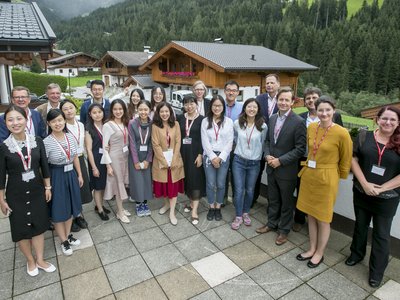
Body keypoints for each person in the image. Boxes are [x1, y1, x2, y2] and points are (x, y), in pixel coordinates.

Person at [346, 106, 400, 288]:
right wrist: (365, 184)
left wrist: (381, 188)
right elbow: (353, 160)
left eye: (393, 119)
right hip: (362, 192)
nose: (388, 122)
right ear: (377, 119)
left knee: (381, 235)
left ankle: (376, 271)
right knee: (360, 226)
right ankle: (356, 254)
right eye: (385, 118)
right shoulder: (364, 136)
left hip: (387, 198)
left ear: (398, 122)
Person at [296, 96, 352, 268]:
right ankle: (312, 248)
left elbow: (346, 158)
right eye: (321, 110)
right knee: (310, 215)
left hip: (327, 177)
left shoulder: (342, 133)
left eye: (328, 110)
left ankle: (320, 253)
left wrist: (339, 177)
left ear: (334, 110)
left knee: (323, 218)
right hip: (310, 175)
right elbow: (311, 150)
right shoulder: (312, 127)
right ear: (316, 110)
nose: (324, 113)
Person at [0, 105, 56, 276]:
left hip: (37, 190)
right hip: (15, 194)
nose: (15, 123)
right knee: (21, 229)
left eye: (19, 118)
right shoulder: (3, 147)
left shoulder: (37, 141)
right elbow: (1, 176)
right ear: (5, 123)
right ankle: (30, 261)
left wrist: (48, 187)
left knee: (39, 226)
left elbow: (44, 167)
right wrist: (1, 199)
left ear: (26, 120)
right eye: (10, 119)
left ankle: (39, 259)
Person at [256, 87, 306, 246]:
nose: (283, 102)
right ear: (277, 100)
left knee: (286, 202)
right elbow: (268, 142)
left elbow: (300, 149)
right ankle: (271, 223)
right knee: (273, 199)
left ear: (292, 102)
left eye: (286, 100)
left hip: (286, 170)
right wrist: (267, 155)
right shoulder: (271, 118)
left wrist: (280, 160)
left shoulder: (298, 122)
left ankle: (284, 230)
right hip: (271, 167)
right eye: (281, 99)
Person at [293, 87, 344, 232]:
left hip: (324, 164)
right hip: (303, 160)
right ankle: (299, 219)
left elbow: (341, 143)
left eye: (314, 97)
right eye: (308, 98)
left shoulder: (334, 117)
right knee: (301, 190)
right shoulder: (301, 117)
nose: (311, 100)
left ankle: (315, 223)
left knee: (318, 196)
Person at [44, 109, 83, 256]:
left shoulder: (70, 137)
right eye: (53, 121)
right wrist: (47, 185)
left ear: (64, 120)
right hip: (56, 175)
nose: (57, 123)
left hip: (71, 174)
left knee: (72, 206)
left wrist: (79, 174)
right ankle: (63, 240)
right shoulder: (46, 142)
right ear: (49, 123)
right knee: (59, 208)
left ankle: (67, 236)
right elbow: (44, 166)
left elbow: (75, 157)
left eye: (60, 120)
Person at [231, 98, 267, 230]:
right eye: (249, 106)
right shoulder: (237, 123)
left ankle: (246, 212)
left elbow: (263, 144)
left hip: (254, 163)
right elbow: (234, 138)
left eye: (254, 107)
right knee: (239, 190)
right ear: (245, 108)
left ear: (258, 110)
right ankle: (238, 215)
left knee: (250, 190)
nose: (251, 109)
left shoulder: (263, 126)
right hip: (239, 161)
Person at [201, 95, 234, 221]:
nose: (217, 108)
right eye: (214, 105)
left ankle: (218, 207)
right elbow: (205, 141)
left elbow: (230, 142)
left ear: (223, 107)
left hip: (223, 156)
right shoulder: (205, 121)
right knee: (210, 183)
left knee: (220, 184)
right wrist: (213, 157)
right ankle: (211, 207)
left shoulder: (229, 122)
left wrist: (220, 158)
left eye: (219, 105)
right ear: (211, 106)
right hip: (209, 156)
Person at [152, 102, 184, 225]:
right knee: (165, 185)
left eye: (167, 111)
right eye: (162, 112)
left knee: (173, 187)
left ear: (170, 112)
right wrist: (164, 161)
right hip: (161, 162)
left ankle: (172, 212)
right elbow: (155, 144)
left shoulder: (175, 124)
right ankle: (166, 205)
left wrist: (174, 159)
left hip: (175, 161)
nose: (164, 114)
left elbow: (178, 142)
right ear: (158, 113)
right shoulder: (155, 126)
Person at [61, 99, 91, 231]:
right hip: (67, 162)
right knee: (69, 190)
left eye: (71, 108)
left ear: (75, 109)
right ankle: (70, 218)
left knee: (81, 188)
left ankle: (78, 215)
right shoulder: (61, 127)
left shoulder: (80, 125)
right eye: (65, 109)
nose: (69, 111)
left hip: (80, 159)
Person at [177, 95, 206, 225]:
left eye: (192, 103)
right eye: (186, 104)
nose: (189, 106)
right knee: (187, 179)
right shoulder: (180, 118)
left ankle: (194, 211)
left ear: (196, 104)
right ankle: (190, 202)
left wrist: (201, 154)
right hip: (183, 153)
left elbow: (204, 139)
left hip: (195, 154)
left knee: (195, 180)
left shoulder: (202, 120)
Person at [101, 99, 130, 223]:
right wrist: (108, 165)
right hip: (114, 158)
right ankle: (119, 212)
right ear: (111, 110)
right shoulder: (108, 125)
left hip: (124, 157)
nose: (118, 111)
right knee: (118, 185)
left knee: (122, 182)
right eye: (115, 109)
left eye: (120, 109)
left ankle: (122, 208)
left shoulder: (124, 122)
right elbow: (104, 146)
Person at [253, 74, 280, 206]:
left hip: (275, 143)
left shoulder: (282, 99)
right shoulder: (260, 98)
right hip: (260, 141)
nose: (269, 85)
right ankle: (253, 198)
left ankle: (272, 204)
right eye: (267, 82)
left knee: (273, 175)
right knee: (257, 172)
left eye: (272, 82)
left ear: (278, 84)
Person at [128, 100, 153, 217]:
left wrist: (148, 159)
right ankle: (138, 203)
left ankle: (145, 203)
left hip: (147, 156)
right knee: (137, 180)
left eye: (146, 109)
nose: (143, 112)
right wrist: (136, 161)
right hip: (135, 156)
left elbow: (152, 143)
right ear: (137, 109)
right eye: (141, 109)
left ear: (150, 110)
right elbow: (132, 143)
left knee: (147, 180)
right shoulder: (132, 123)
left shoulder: (152, 124)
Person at [85, 103, 110, 221]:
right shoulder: (89, 129)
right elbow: (89, 150)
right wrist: (94, 167)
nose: (97, 115)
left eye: (99, 112)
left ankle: (101, 205)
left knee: (104, 184)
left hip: (106, 159)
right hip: (95, 160)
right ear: (90, 114)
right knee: (98, 187)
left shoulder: (106, 125)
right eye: (94, 113)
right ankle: (99, 209)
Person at [223, 80, 243, 205]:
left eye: (234, 90)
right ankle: (223, 198)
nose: (231, 92)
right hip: (222, 146)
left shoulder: (242, 107)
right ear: (225, 91)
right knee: (223, 174)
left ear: (237, 93)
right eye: (229, 90)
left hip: (237, 147)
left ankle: (237, 199)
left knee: (236, 175)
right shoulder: (218, 104)